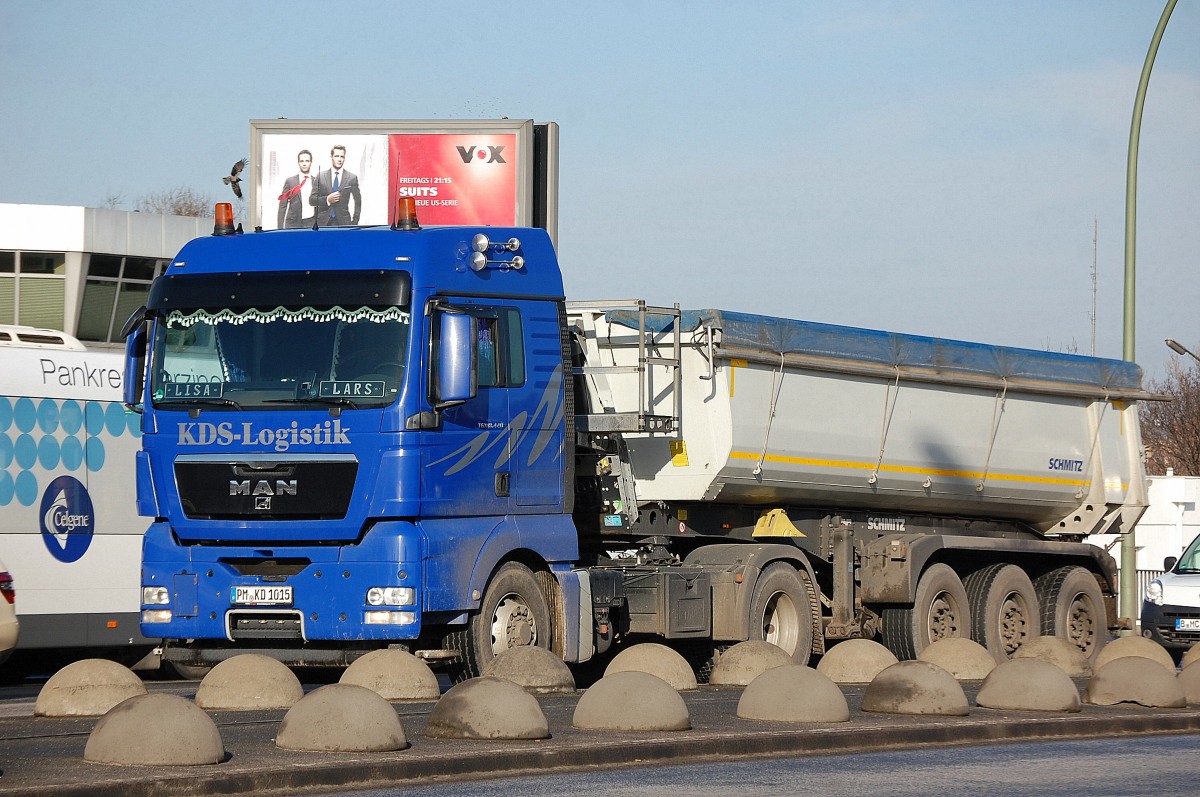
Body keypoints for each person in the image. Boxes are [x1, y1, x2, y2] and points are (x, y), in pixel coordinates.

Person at [310, 144, 361, 226]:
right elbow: (312, 200)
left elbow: (358, 201)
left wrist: (354, 223)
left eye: (342, 156)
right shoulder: (321, 176)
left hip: (344, 223)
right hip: (323, 223)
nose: (339, 159)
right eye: (337, 156)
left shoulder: (352, 178)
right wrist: (327, 199)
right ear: (331, 157)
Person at [277, 149, 315, 228]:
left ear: (311, 162)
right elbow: (282, 205)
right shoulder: (290, 181)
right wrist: (279, 228)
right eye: (302, 161)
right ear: (298, 163)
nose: (304, 164)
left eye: (307, 161)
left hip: (311, 223)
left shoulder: (316, 181)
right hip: (293, 224)